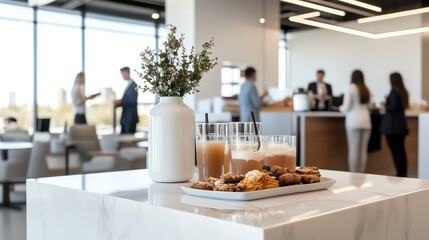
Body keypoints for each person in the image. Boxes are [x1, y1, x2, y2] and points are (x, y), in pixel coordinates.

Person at [340, 70, 371, 173]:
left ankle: (353, 175)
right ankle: (361, 174)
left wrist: (340, 108)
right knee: (363, 151)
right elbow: (370, 106)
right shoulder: (366, 89)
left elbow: (347, 106)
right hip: (366, 121)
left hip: (353, 122)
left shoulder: (351, 87)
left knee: (353, 150)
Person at [380, 72, 409, 177]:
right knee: (401, 150)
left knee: (396, 151)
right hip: (401, 127)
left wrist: (386, 103)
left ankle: (400, 174)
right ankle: (403, 173)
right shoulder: (403, 91)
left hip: (393, 128)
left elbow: (392, 107)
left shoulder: (394, 91)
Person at [113, 67, 139, 134]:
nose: (122, 76)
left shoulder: (133, 85)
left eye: (122, 74)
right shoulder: (128, 85)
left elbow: (132, 101)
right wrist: (120, 101)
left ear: (126, 73)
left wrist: (120, 102)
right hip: (126, 118)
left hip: (130, 118)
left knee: (129, 141)